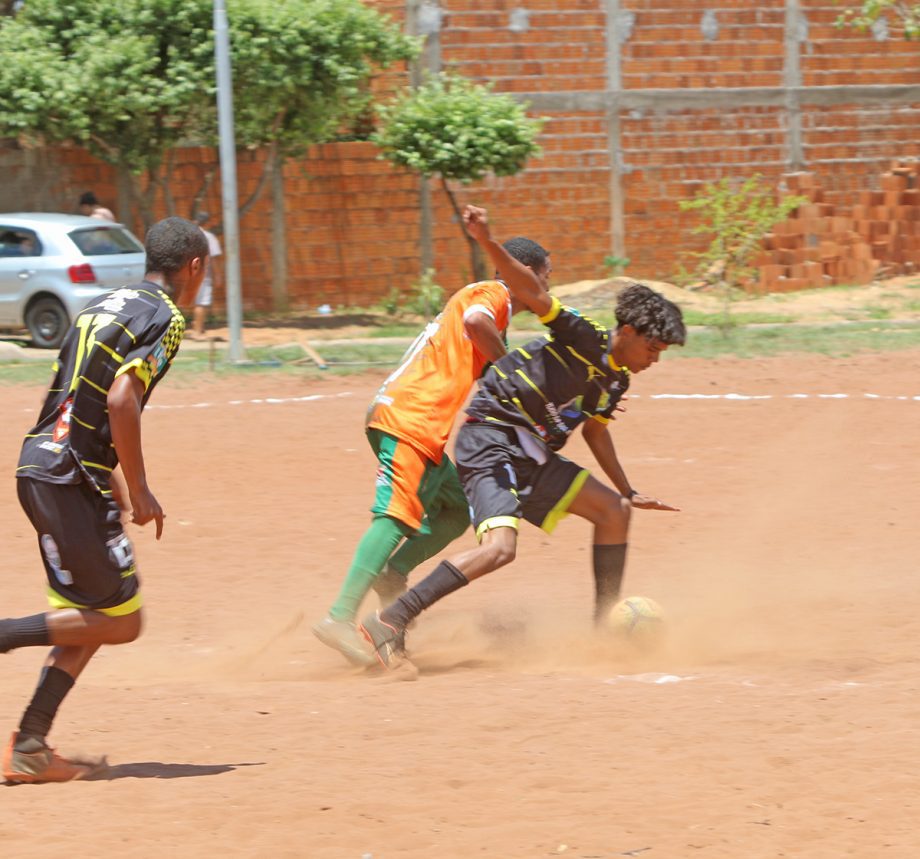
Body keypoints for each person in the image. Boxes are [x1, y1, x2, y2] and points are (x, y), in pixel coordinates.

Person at [359, 206, 687, 671]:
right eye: (651, 348)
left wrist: (627, 488)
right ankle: (392, 619)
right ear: (628, 332)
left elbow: (594, 429)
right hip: (490, 436)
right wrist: (487, 240)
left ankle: (602, 631)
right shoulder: (584, 335)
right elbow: (530, 288)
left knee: (615, 513)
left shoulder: (617, 381)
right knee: (499, 549)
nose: (654, 359)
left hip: (530, 453)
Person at [1, 217, 208, 783]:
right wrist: (138, 489)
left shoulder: (103, 303)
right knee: (122, 623)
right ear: (193, 267)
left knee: (90, 616)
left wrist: (112, 480)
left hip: (41, 466)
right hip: (71, 480)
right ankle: (5, 635)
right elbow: (120, 399)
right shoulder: (166, 318)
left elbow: (75, 396)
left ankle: (32, 745)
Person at [312, 224, 553, 666]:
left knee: (457, 507)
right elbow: (475, 323)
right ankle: (339, 617)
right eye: (544, 276)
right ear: (523, 274)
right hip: (411, 418)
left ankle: (393, 571)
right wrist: (509, 371)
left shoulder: (491, 305)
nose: (546, 287)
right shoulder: (494, 295)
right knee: (397, 517)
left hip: (417, 420)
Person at [189, 211, 223, 340]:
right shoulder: (209, 238)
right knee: (202, 303)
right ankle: (197, 332)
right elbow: (213, 258)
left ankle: (197, 326)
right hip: (202, 274)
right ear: (207, 223)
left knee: (194, 301)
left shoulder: (187, 237)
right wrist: (218, 275)